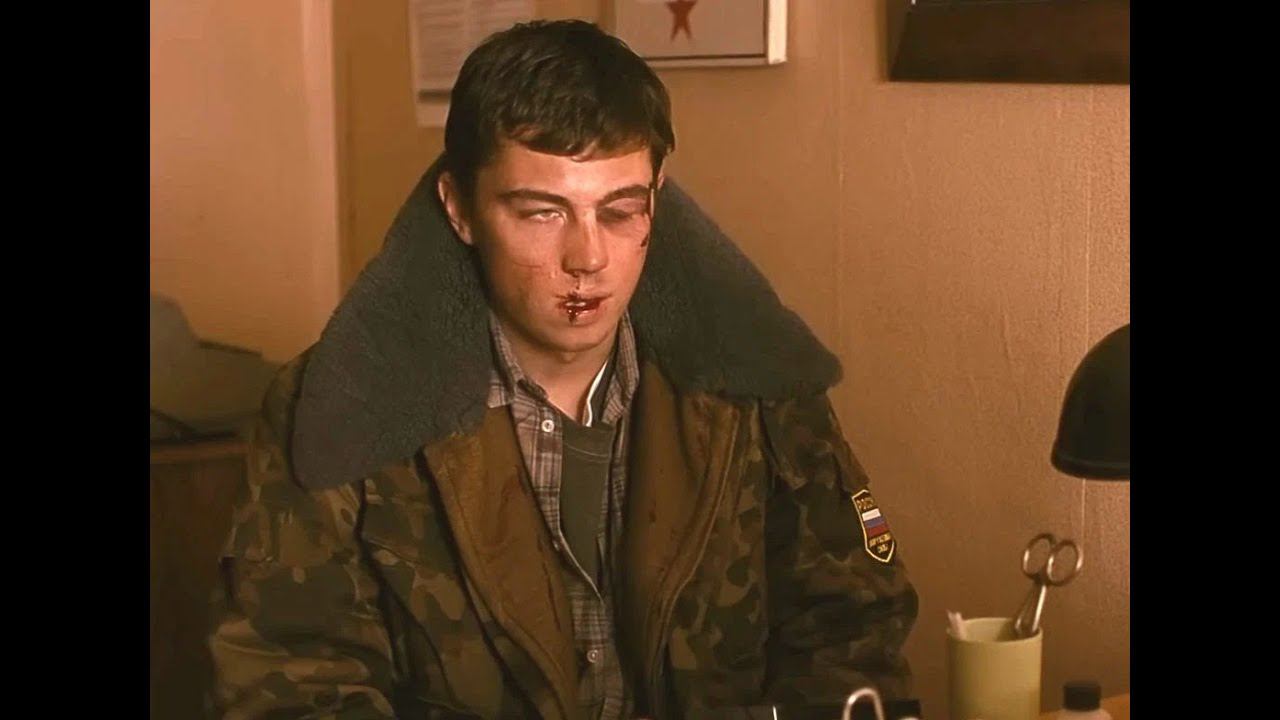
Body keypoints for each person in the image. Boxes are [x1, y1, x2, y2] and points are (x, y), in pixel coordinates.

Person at [208, 19, 917, 720]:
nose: (588, 259)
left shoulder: (758, 389)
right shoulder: (337, 408)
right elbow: (287, 683)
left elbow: (854, 631)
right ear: (459, 209)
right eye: (542, 213)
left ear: (657, 198)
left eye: (620, 211)